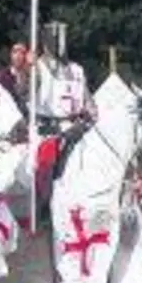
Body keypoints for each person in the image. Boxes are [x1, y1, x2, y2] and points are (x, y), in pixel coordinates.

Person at [32, 21, 98, 179]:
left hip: (77, 128)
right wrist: (27, 71)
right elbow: (22, 91)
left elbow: (89, 102)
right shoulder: (37, 68)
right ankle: (45, 201)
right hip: (47, 131)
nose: (58, 44)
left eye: (61, 39)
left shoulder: (77, 70)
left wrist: (91, 115)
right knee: (46, 167)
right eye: (54, 39)